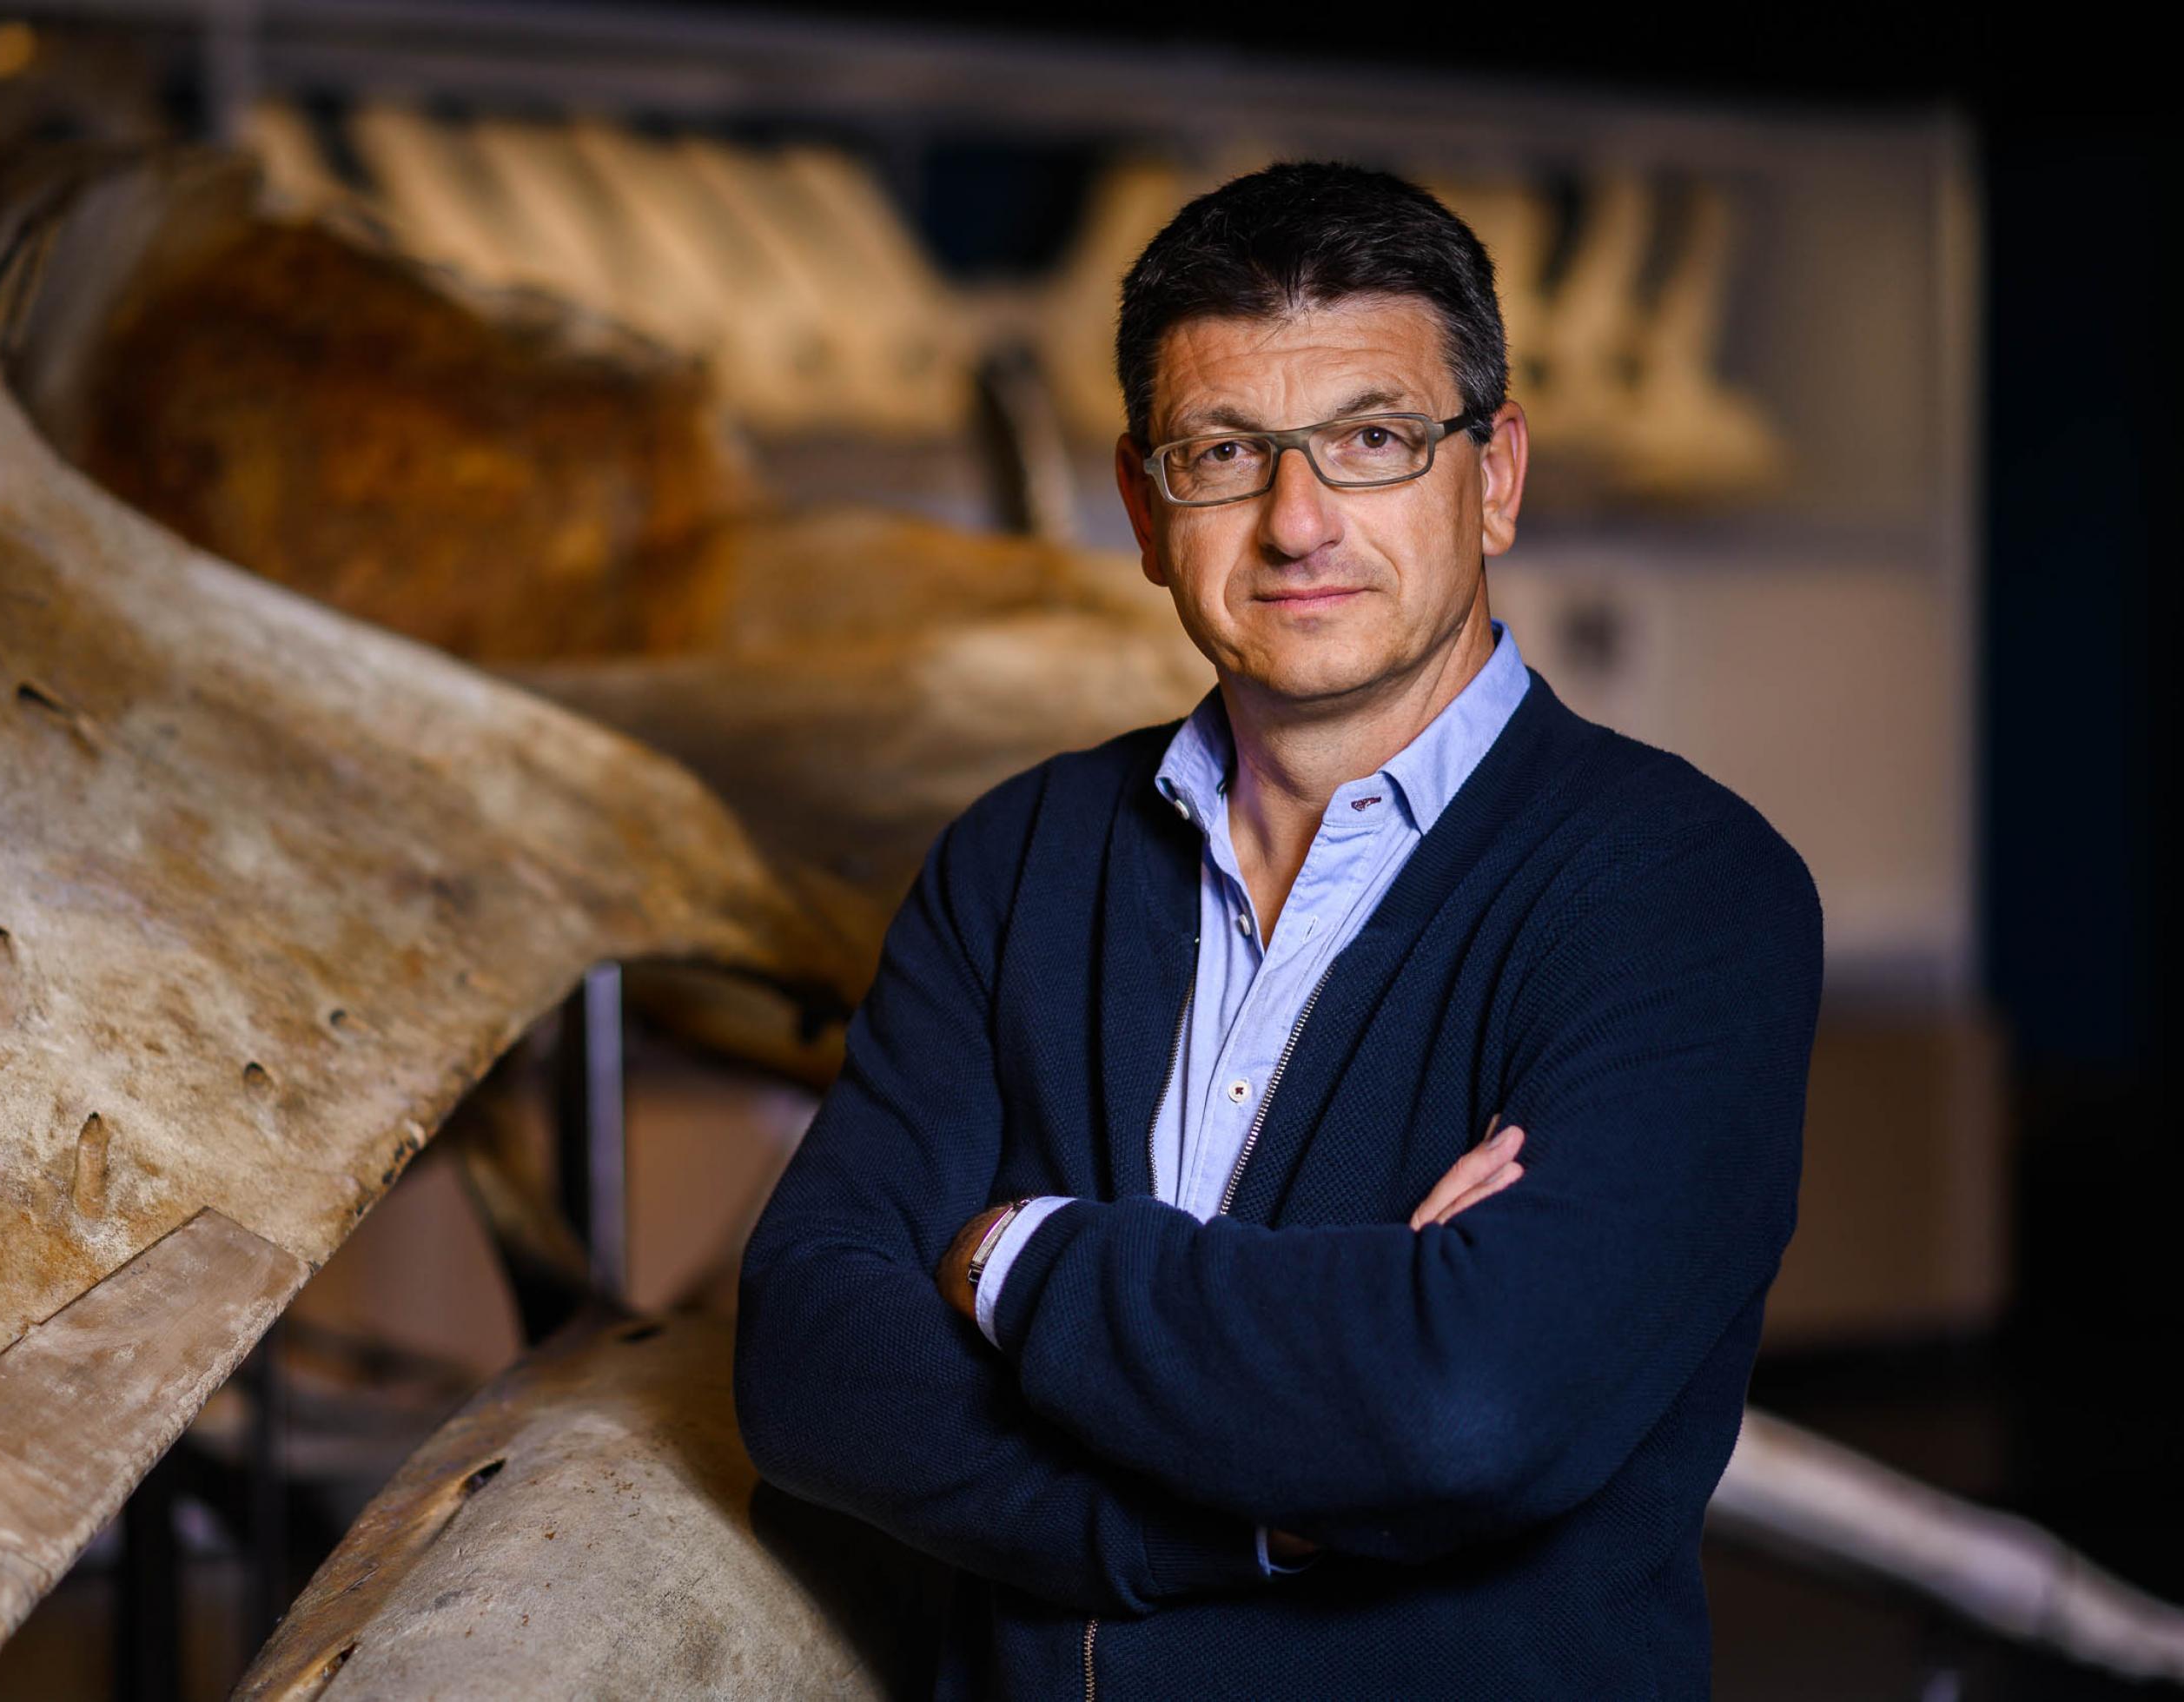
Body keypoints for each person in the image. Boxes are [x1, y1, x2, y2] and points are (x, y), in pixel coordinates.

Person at [732, 160, 1823, 1699]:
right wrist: (1259, 1504)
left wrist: (1011, 1256)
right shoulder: (1013, 860)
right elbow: (805, 1364)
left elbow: (1469, 1405)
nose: (1297, 521)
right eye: (1224, 453)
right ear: (1140, 503)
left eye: (1371, 442)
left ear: (1494, 474)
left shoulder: (1678, 892)